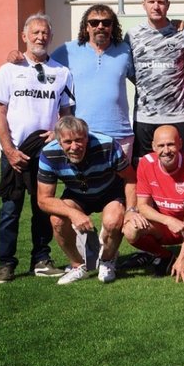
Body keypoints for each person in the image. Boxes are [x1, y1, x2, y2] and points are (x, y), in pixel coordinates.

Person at [0, 13, 74, 283]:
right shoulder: (9, 70)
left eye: (45, 32)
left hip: (46, 152)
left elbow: (66, 112)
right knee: (10, 209)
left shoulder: (62, 72)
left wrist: (57, 133)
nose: (40, 37)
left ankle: (41, 259)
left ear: (51, 36)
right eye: (35, 32)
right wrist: (9, 150)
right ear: (24, 36)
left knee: (43, 207)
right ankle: (6, 263)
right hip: (15, 152)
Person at [35, 116, 141, 285]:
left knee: (113, 221)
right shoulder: (49, 153)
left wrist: (131, 210)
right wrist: (73, 213)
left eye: (79, 140)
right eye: (68, 142)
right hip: (77, 194)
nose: (74, 147)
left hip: (110, 191)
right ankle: (78, 266)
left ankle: (107, 261)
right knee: (57, 220)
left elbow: (130, 178)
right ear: (59, 142)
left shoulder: (107, 144)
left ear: (87, 136)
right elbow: (43, 199)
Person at [126, 0, 184, 161]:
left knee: (182, 167)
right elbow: (130, 71)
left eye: (161, 2)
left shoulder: (183, 34)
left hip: (177, 115)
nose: (156, 6)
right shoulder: (132, 35)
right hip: (145, 116)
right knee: (145, 169)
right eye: (151, 2)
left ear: (168, 5)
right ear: (144, 5)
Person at [51, 5, 135, 157]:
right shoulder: (67, 51)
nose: (100, 26)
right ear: (86, 27)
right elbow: (41, 68)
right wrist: (19, 58)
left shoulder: (125, 50)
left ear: (113, 26)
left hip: (120, 135)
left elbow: (146, 80)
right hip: (81, 135)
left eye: (106, 22)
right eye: (94, 23)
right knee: (84, 181)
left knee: (124, 180)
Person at [123, 126, 184, 281]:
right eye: (161, 146)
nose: (166, 150)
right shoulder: (146, 163)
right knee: (130, 229)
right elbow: (143, 206)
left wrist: (183, 257)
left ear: (180, 144)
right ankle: (164, 255)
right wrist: (168, 220)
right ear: (154, 146)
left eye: (171, 144)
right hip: (165, 226)